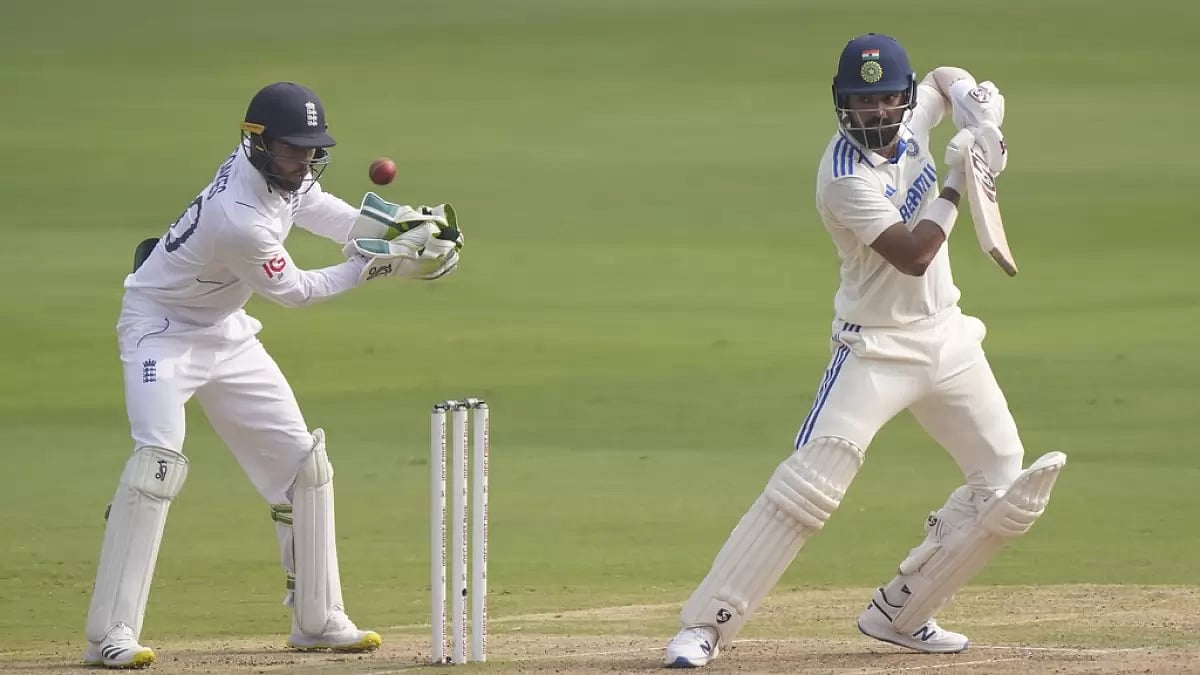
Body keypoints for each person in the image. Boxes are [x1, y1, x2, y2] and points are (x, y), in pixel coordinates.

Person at [663, 33, 1066, 668]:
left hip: (949, 336)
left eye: (884, 101)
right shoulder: (841, 178)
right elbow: (914, 254)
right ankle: (705, 627)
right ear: (839, 105)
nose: (873, 115)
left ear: (903, 102)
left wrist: (976, 108)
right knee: (809, 489)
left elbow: (941, 75)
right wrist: (960, 179)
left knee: (1006, 487)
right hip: (873, 349)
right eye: (859, 103)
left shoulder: (916, 116)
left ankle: (903, 612)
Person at [83, 81, 464, 669]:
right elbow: (298, 292)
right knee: (157, 464)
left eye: (312, 150)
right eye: (293, 150)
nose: (303, 161)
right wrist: (382, 264)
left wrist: (397, 228)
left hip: (224, 327)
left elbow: (323, 211)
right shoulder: (239, 218)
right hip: (161, 329)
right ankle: (110, 633)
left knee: (303, 467)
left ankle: (317, 619)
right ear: (256, 143)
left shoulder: (282, 172)